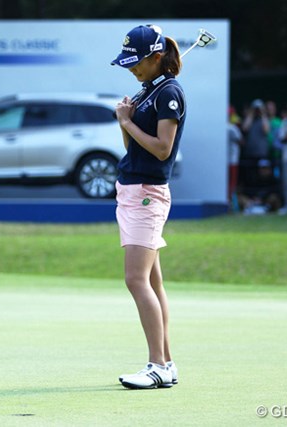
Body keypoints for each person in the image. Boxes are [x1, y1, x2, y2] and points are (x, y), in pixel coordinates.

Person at [110, 24, 184, 389]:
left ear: (157, 58)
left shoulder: (168, 92)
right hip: (132, 190)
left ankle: (156, 365)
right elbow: (133, 148)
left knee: (135, 280)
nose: (132, 69)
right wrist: (125, 120)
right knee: (152, 281)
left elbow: (161, 149)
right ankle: (166, 363)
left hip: (147, 194)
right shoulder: (147, 91)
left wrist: (126, 120)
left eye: (137, 63)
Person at [228, 106, 244, 209]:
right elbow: (242, 142)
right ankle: (232, 206)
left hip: (226, 161)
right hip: (232, 161)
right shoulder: (232, 128)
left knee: (229, 185)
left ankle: (231, 205)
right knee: (232, 185)